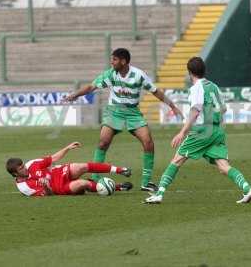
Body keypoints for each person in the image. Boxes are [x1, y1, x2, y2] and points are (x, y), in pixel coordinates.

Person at [63, 48, 183, 191]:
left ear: (123, 61)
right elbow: (91, 86)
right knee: (103, 142)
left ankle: (146, 182)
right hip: (114, 111)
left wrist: (173, 107)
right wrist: (74, 95)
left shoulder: (139, 75)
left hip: (133, 112)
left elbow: (155, 91)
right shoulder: (111, 74)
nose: (111, 62)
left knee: (148, 143)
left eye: (114, 59)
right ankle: (95, 178)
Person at [145, 57, 251, 204]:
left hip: (202, 131)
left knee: (177, 160)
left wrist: (182, 132)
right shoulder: (214, 86)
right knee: (223, 166)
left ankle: (159, 194)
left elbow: (196, 110)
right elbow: (223, 109)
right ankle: (248, 189)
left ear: (190, 72)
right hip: (216, 130)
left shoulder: (196, 88)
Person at [6, 142, 133, 196]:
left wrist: (67, 148)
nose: (25, 168)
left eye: (23, 165)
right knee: (83, 183)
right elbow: (49, 194)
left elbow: (53, 158)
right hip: (59, 188)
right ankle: (118, 187)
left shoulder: (32, 164)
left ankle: (120, 170)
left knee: (81, 166)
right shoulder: (24, 187)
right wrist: (46, 187)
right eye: (21, 168)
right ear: (15, 173)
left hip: (60, 172)